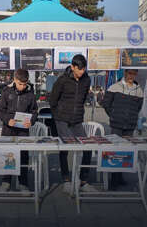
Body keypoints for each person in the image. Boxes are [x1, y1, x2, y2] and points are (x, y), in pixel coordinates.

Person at [49, 54, 95, 193]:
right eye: (79, 69)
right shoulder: (62, 80)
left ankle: (83, 181)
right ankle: (66, 180)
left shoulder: (87, 80)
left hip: (77, 120)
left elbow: (83, 97)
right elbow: (53, 101)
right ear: (73, 67)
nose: (82, 71)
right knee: (66, 148)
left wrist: (78, 112)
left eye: (84, 69)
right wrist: (58, 116)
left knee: (87, 148)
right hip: (62, 120)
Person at [0, 69, 38, 192]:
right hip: (8, 130)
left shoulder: (30, 94)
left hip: (23, 131)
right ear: (14, 80)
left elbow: (34, 111)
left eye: (25, 84)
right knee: (8, 155)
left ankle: (23, 183)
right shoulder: (6, 92)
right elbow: (0, 110)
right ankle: (6, 181)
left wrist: (31, 121)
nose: (22, 86)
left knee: (23, 156)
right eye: (20, 84)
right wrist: (7, 120)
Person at [100, 69, 143, 189]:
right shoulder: (114, 87)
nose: (131, 76)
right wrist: (113, 115)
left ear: (136, 75)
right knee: (115, 152)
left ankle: (120, 177)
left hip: (129, 126)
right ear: (125, 74)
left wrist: (132, 118)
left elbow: (138, 107)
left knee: (125, 152)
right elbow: (106, 104)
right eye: (129, 73)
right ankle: (114, 179)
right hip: (116, 125)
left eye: (134, 74)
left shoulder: (139, 91)